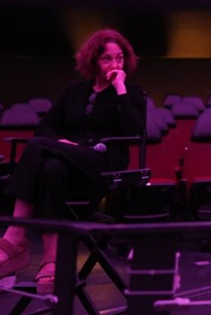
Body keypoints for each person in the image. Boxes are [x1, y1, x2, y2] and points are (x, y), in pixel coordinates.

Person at [0, 28, 145, 294]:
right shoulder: (75, 91)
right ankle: (51, 262)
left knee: (38, 148)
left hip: (103, 165)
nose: (114, 64)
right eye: (107, 59)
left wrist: (120, 88)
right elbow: (45, 127)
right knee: (51, 168)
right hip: (69, 166)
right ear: (93, 60)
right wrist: (63, 145)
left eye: (119, 58)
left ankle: (15, 235)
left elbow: (133, 131)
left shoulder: (131, 93)